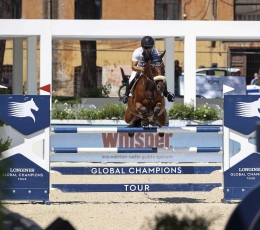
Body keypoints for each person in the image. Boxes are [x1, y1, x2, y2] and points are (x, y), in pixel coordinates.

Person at [119, 36, 175, 104]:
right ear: (142, 46)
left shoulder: (155, 51)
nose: (148, 49)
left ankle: (167, 93)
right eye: (146, 47)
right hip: (139, 68)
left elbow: (158, 63)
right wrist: (140, 69)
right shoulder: (137, 52)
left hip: (151, 70)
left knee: (161, 78)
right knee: (131, 79)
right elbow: (133, 67)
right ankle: (126, 95)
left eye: (150, 47)